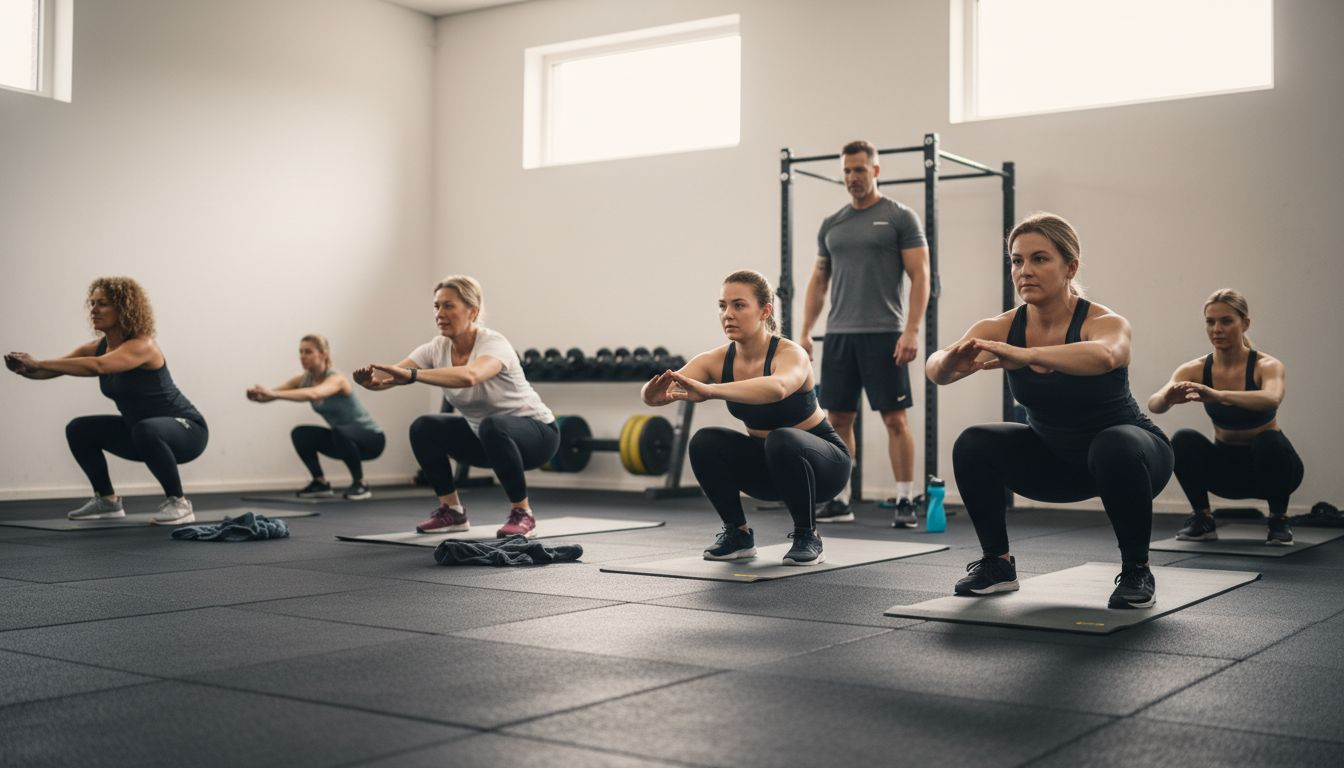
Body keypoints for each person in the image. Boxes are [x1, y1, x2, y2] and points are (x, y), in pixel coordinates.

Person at [925, 213, 1172, 609]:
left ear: (1070, 267)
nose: (1025, 270)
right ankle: (997, 565)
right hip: (1056, 463)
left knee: (1113, 443)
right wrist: (952, 360)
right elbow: (935, 368)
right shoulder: (1003, 325)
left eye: (1040, 259)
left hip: (1132, 459)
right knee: (974, 443)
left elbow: (1108, 353)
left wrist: (1027, 354)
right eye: (1017, 260)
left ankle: (1137, 569)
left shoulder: (1103, 321)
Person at [643, 270, 851, 566]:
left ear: (765, 310)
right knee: (705, 441)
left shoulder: (791, 354)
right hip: (770, 471)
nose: (728, 314)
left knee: (782, 438)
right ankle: (737, 534)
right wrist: (653, 395)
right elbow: (656, 392)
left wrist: (712, 390)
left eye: (739, 305)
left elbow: (778, 387)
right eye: (722, 306)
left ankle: (808, 535)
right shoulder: (715, 359)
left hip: (823, 470)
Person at [354, 275, 557, 537]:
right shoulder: (435, 348)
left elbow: (470, 376)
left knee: (493, 425)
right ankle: (452, 512)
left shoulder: (494, 343)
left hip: (537, 437)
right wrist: (371, 382)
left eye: (448, 306)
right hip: (486, 439)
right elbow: (391, 376)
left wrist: (414, 376)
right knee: (424, 427)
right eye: (437, 307)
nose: (440, 314)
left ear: (472, 310)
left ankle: (523, 514)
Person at [799, 139, 930, 527]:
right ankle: (840, 498)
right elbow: (818, 280)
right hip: (840, 334)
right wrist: (805, 331)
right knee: (837, 419)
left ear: (875, 170)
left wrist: (912, 330)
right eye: (847, 170)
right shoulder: (832, 224)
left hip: (885, 333)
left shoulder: (899, 217)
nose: (853, 177)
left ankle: (906, 498)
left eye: (859, 169)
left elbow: (921, 276)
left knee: (895, 419)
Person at [5, 277, 207, 524]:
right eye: (92, 303)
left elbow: (98, 367)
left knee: (146, 428)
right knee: (79, 429)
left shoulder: (143, 345)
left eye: (103, 304)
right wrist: (26, 369)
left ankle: (180, 503)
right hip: (142, 434)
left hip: (187, 431)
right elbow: (52, 370)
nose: (94, 310)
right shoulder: (96, 347)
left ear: (123, 308)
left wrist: (38, 363)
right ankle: (107, 501)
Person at [1147, 289, 1302, 545]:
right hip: (1227, 473)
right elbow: (1154, 405)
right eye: (1210, 322)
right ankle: (1203, 520)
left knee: (1269, 440)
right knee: (1183, 439)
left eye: (1226, 321)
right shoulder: (1195, 368)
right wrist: (1168, 398)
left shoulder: (1266, 365)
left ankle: (1278, 520)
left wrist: (1218, 396)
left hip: (1272, 472)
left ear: (1245, 324)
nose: (1217, 329)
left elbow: (1272, 398)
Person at [246, 334, 385, 500]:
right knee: (300, 433)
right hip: (342, 441)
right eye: (301, 352)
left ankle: (360, 483)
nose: (302, 356)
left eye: (308, 352)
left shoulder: (337, 379)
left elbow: (314, 394)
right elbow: (273, 394)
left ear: (323, 355)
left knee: (339, 431)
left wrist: (274, 394)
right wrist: (260, 396)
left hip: (371, 440)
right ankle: (320, 483)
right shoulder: (304, 380)